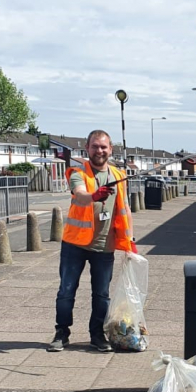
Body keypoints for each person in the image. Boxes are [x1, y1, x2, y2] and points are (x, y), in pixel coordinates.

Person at [49, 130, 137, 353]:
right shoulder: (78, 172)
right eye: (95, 146)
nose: (99, 151)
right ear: (87, 148)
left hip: (104, 247)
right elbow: (79, 194)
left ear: (111, 149)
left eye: (103, 147)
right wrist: (95, 195)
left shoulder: (118, 175)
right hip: (75, 245)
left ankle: (97, 335)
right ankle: (62, 333)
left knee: (101, 294)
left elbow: (125, 208)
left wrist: (130, 240)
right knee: (66, 291)